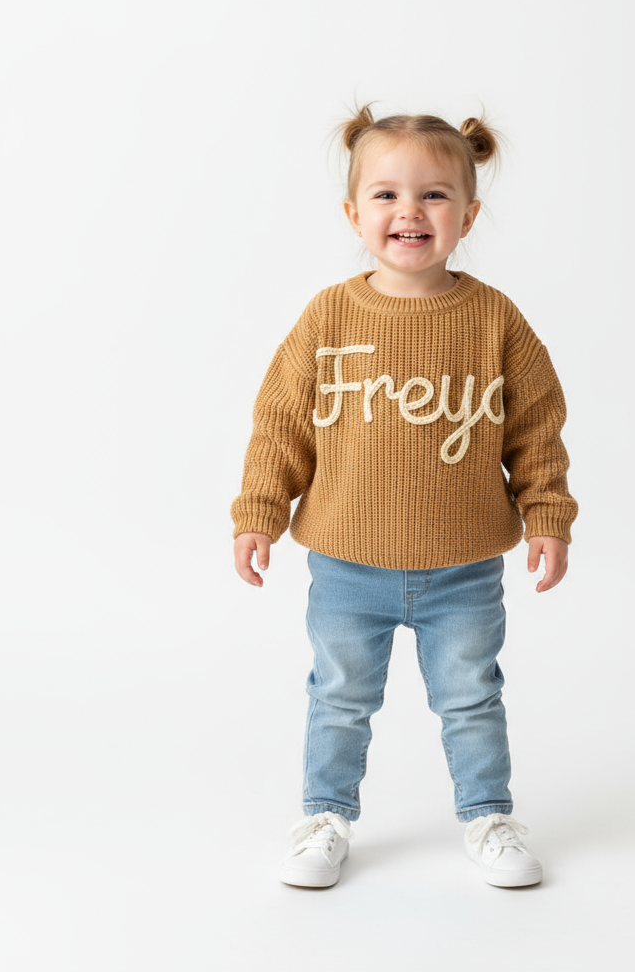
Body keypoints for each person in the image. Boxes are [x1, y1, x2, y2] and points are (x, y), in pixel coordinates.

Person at [230, 105, 578, 889]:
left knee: (472, 698)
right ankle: (324, 816)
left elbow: (536, 427)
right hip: (348, 565)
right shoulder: (328, 316)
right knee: (341, 698)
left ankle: (488, 815)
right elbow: (282, 424)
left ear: (468, 214)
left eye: (433, 195)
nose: (409, 213)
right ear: (354, 214)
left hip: (463, 569)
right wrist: (259, 512)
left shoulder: (494, 319)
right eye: (385, 196)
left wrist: (547, 515)